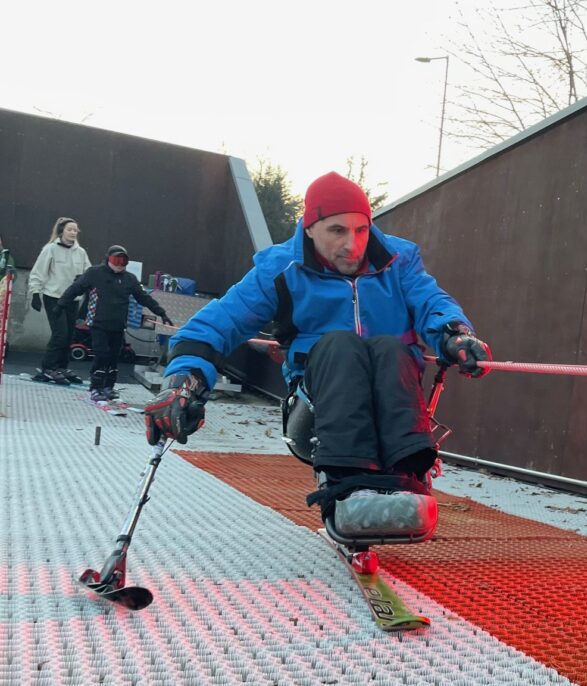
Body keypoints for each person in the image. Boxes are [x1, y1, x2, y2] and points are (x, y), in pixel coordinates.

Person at [145, 171, 491, 541]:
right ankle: (346, 484)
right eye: (337, 231)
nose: (353, 245)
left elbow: (431, 303)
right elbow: (215, 326)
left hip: (393, 397)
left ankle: (407, 478)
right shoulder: (280, 270)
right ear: (310, 228)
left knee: (390, 347)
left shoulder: (399, 261)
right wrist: (183, 383)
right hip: (316, 410)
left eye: (361, 230)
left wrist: (456, 335)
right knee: (340, 344)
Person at [54, 245, 173, 401]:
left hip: (118, 325)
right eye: (116, 260)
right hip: (98, 323)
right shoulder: (94, 273)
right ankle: (96, 387)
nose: (119, 264)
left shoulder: (129, 279)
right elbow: (76, 288)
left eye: (123, 261)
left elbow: (144, 297)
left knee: (113, 357)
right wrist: (61, 305)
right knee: (101, 354)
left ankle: (108, 386)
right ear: (108, 259)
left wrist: (161, 313)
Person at [27, 217, 91, 384]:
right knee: (60, 334)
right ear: (62, 231)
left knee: (70, 335)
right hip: (54, 297)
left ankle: (61, 367)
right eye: (69, 229)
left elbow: (89, 273)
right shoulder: (50, 249)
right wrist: (35, 292)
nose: (73, 233)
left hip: (73, 299)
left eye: (75, 230)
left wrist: (84, 279)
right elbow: (38, 271)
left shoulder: (81, 252)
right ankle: (48, 368)